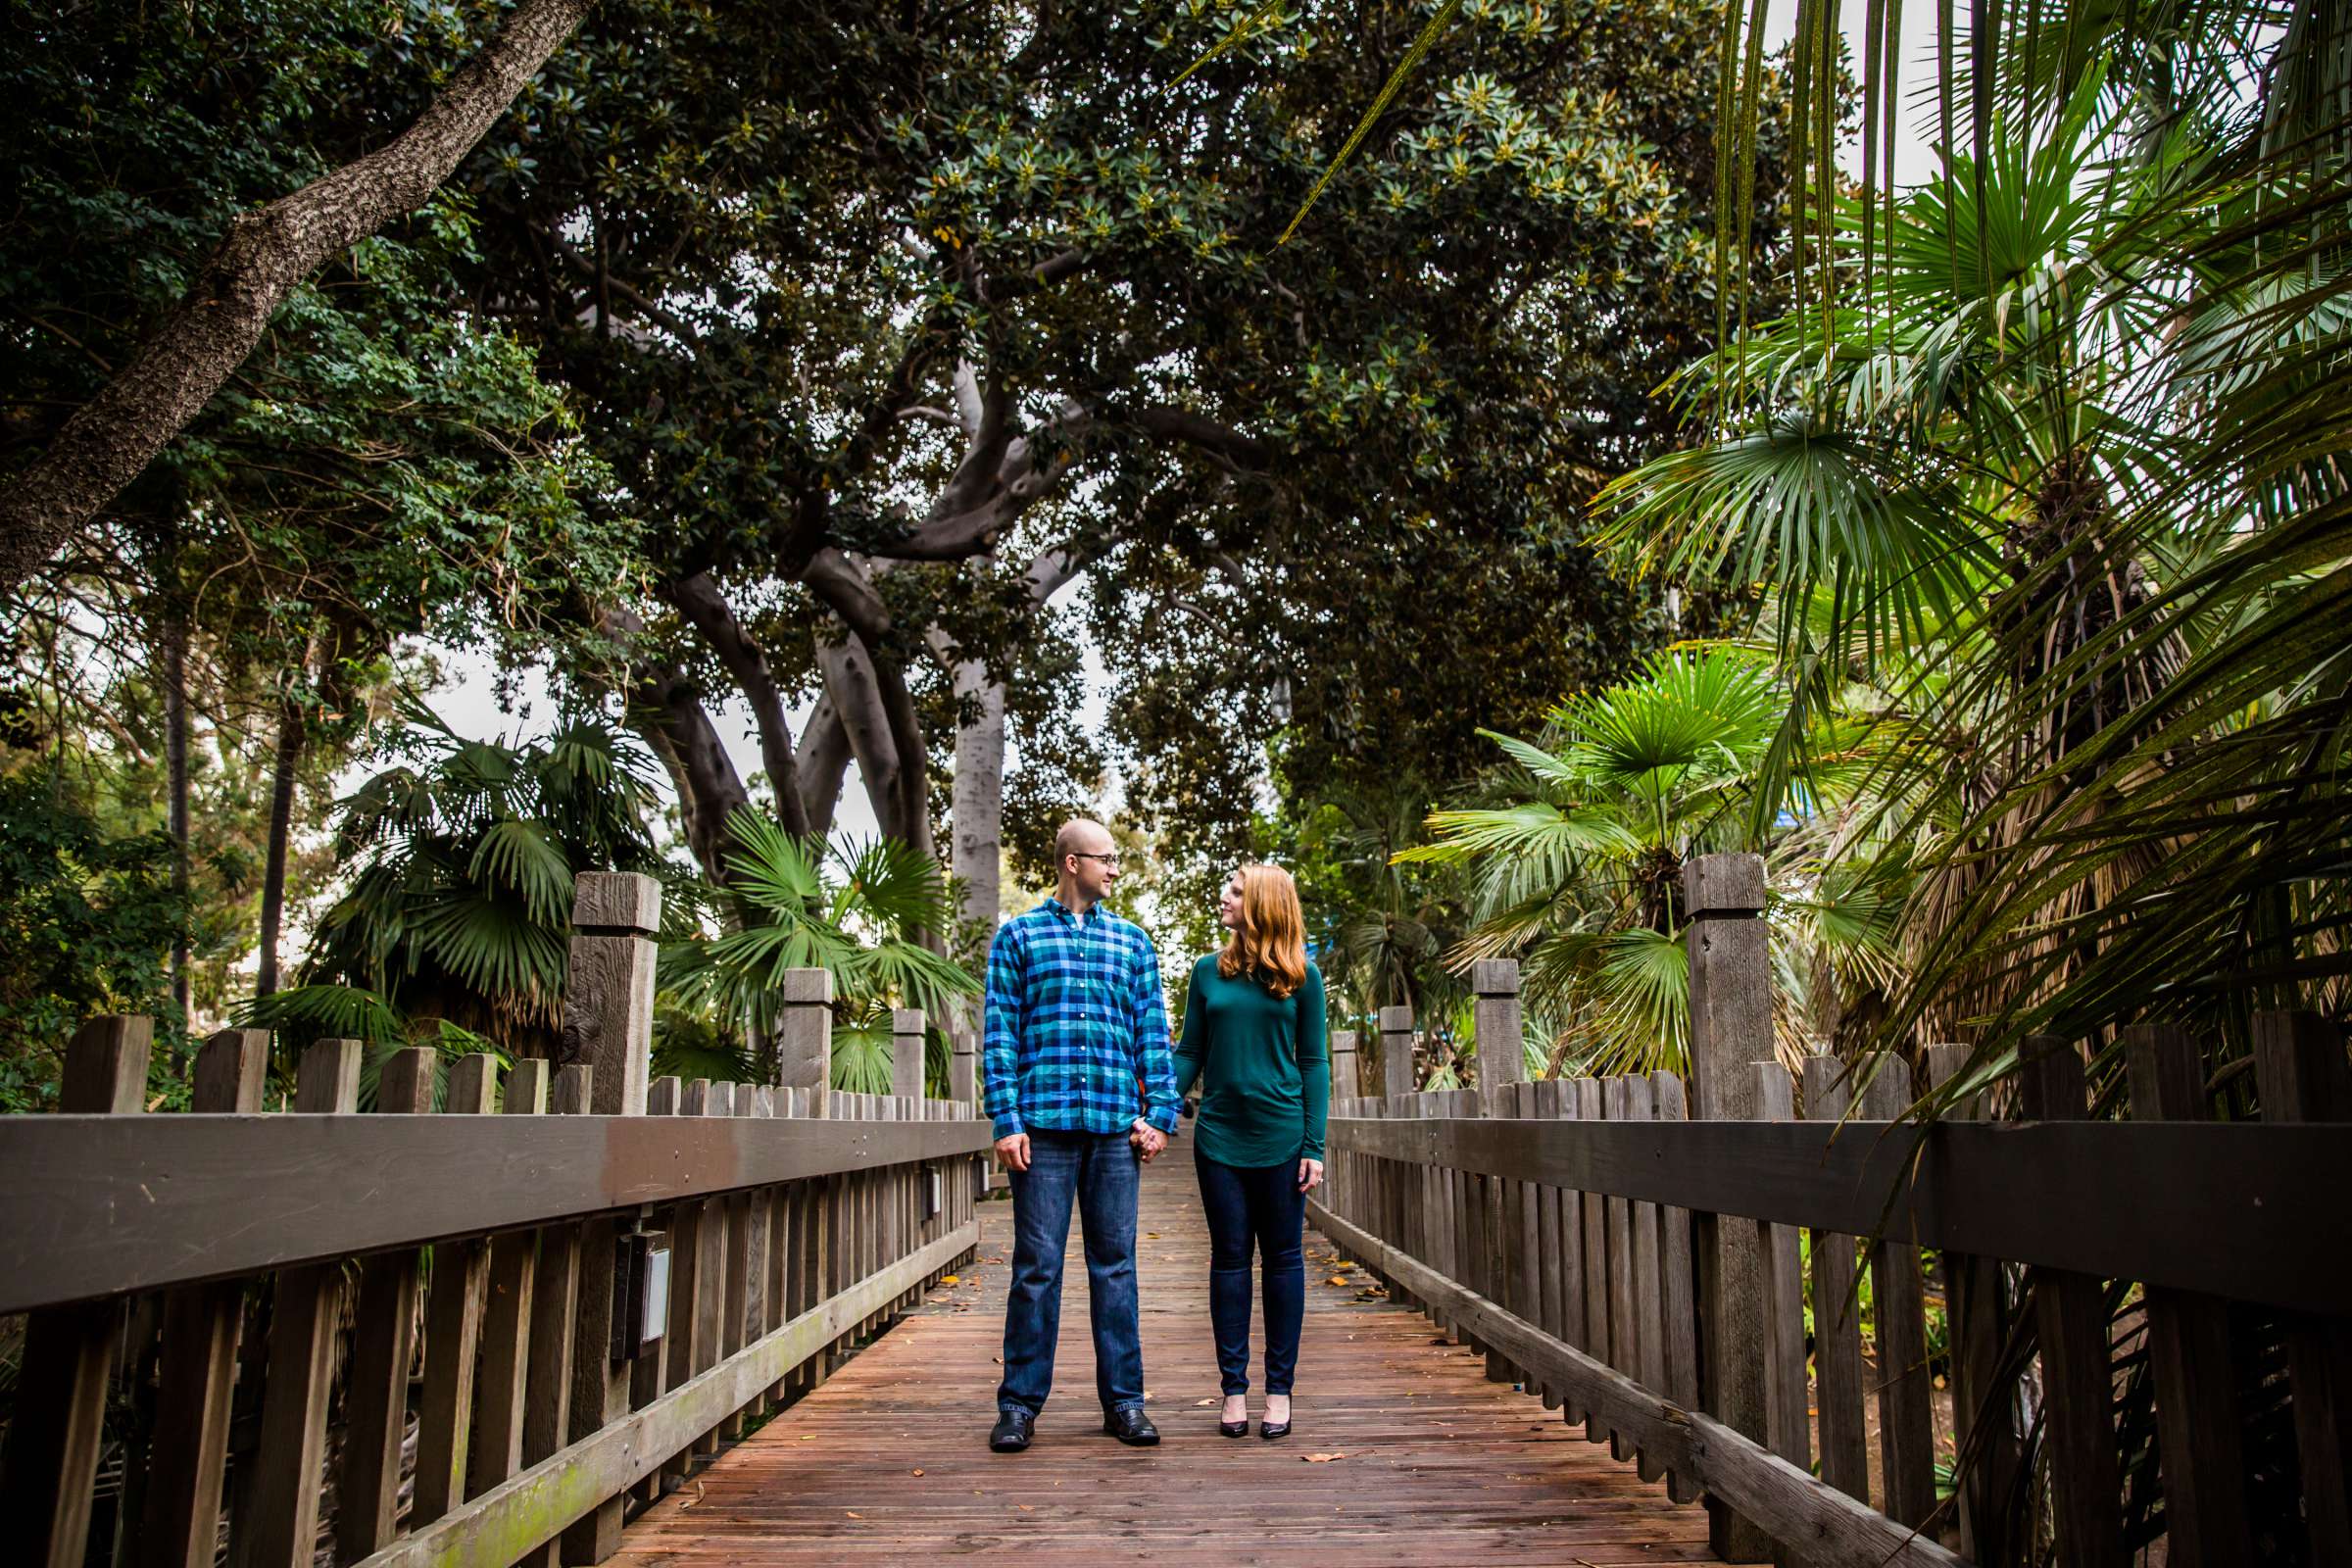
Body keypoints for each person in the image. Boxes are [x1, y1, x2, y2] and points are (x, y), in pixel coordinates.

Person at [982, 818, 1182, 1453]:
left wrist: (1163, 1116)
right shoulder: (1017, 937)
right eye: (1107, 859)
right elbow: (999, 1036)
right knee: (1036, 1269)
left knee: (1115, 1268)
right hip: (1040, 1133)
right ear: (1073, 863)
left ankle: (1124, 1402)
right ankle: (1018, 1406)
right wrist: (1006, 1119)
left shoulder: (1133, 944)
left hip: (1113, 1133)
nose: (1115, 869)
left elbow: (1154, 1037)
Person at [1170, 862, 1328, 1441]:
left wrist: (1315, 1143)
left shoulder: (1302, 977)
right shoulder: (1207, 972)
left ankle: (1279, 1390)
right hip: (1219, 1140)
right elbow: (1190, 1052)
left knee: (1284, 1260)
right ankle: (1233, 1389)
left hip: (1284, 1138)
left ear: (1263, 903)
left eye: (1235, 892)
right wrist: (1159, 1107)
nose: (1224, 898)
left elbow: (1313, 1062)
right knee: (1229, 1260)